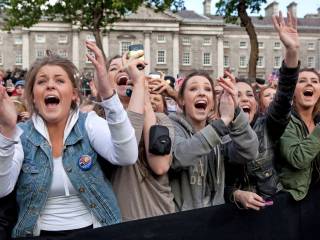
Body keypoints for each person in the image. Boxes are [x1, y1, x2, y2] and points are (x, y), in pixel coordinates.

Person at [0, 41, 138, 237]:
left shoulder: (88, 123)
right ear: (32, 95)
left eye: (59, 80)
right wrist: (6, 130)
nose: (50, 85)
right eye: (41, 82)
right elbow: (2, 188)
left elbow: (127, 156)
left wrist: (108, 96)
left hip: (96, 231)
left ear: (74, 94)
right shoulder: (21, 134)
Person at [225, 10, 300, 210]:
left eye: (249, 94)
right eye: (236, 95)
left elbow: (284, 96)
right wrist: (236, 194)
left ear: (257, 104)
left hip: (273, 210)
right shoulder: (216, 134)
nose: (243, 99)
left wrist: (291, 51)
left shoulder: (267, 127)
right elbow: (216, 186)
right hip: (232, 219)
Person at [168, 70, 258, 211]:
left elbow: (249, 152)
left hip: (214, 219)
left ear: (213, 103)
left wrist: (234, 112)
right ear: (181, 101)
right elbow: (179, 157)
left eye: (208, 89)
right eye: (193, 89)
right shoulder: (171, 126)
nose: (202, 93)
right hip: (182, 221)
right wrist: (223, 121)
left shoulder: (220, 134)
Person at [105, 53, 175, 221]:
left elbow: (160, 165)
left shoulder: (161, 119)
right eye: (115, 68)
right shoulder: (96, 121)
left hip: (158, 216)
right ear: (105, 81)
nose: (124, 69)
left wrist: (141, 93)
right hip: (119, 222)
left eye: (129, 67)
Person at [278, 68, 320, 201]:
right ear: (293, 91)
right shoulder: (284, 121)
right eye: (302, 81)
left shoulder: (317, 122)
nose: (309, 84)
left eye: (315, 81)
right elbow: (297, 159)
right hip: (293, 200)